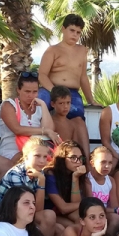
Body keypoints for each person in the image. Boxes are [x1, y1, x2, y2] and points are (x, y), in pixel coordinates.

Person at [37, 14, 94, 157]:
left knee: (78, 119)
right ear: (63, 29)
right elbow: (42, 75)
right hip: (50, 89)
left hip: (72, 92)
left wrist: (91, 100)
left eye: (78, 32)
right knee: (38, 111)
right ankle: (36, 151)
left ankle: (83, 159)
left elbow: (83, 77)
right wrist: (54, 91)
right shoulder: (52, 50)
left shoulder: (82, 50)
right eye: (72, 30)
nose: (75, 35)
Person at [0, 137, 58, 236]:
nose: (42, 161)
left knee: (59, 229)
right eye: (37, 156)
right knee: (49, 216)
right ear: (26, 156)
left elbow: (37, 209)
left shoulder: (39, 172)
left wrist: (41, 179)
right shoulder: (15, 175)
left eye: (45, 157)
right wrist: (42, 181)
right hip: (8, 214)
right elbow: (34, 209)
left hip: (25, 210)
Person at [0, 72, 58, 162]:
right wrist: (44, 131)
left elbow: (49, 129)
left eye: (35, 92)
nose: (31, 95)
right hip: (12, 151)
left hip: (36, 152)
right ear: (18, 90)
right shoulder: (9, 105)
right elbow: (17, 129)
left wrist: (43, 105)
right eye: (27, 91)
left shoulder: (39, 108)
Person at [45, 141, 88, 227]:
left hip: (66, 212)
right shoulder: (51, 174)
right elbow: (63, 208)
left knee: (84, 219)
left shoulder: (77, 173)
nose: (78, 162)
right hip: (50, 213)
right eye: (73, 157)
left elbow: (75, 203)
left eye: (81, 158)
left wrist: (75, 177)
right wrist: (86, 203)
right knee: (75, 226)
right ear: (62, 159)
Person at [85, 146, 119, 234]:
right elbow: (90, 207)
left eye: (110, 163)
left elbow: (114, 205)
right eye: (103, 162)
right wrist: (117, 210)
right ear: (92, 163)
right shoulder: (87, 180)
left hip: (105, 212)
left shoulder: (111, 180)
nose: (107, 166)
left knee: (117, 218)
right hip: (91, 213)